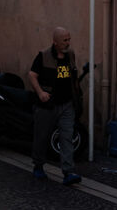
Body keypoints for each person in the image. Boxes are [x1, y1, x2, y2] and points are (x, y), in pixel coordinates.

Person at [28, 27, 82, 185]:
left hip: (67, 104)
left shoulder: (70, 54)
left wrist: (77, 96)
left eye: (69, 39)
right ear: (55, 42)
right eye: (65, 40)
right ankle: (38, 166)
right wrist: (40, 93)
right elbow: (32, 75)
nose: (68, 43)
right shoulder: (43, 56)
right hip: (48, 105)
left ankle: (68, 172)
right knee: (41, 136)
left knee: (67, 137)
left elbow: (73, 76)